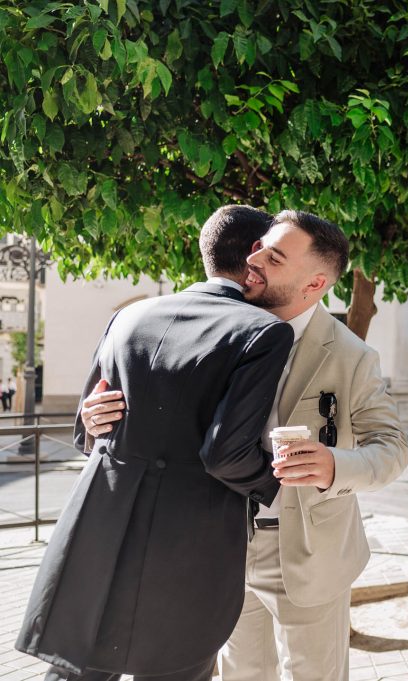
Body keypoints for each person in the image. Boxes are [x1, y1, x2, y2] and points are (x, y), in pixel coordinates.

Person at [84, 210, 408, 681]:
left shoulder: (352, 356)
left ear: (314, 284)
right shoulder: (217, 327)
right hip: (221, 543)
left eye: (274, 257)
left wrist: (334, 465)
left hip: (309, 555)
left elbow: (392, 447)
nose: (252, 259)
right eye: (259, 246)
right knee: (240, 674)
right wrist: (101, 421)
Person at [16, 206, 295, 681]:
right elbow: (225, 454)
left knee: (77, 670)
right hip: (190, 543)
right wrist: (279, 480)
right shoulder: (264, 332)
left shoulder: (129, 316)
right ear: (255, 255)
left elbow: (88, 428)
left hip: (99, 525)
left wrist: (94, 423)